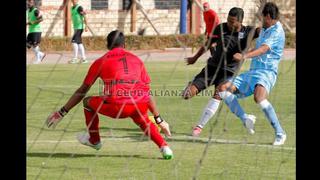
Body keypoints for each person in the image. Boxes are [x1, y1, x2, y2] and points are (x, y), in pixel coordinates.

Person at [46, 30, 173, 159]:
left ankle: (94, 140)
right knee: (142, 119)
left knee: (87, 102)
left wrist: (62, 112)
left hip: (117, 106)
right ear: (124, 45)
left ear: (107, 45)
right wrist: (159, 119)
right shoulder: (137, 60)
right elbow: (147, 92)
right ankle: (165, 147)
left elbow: (82, 91)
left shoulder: (101, 61)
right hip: (139, 104)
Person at [182, 7, 260, 136]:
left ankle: (199, 127)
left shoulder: (248, 32)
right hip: (212, 68)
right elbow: (208, 44)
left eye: (232, 22)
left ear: (240, 21)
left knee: (218, 93)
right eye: (228, 20)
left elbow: (262, 30)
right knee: (186, 95)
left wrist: (262, 16)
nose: (229, 24)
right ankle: (193, 84)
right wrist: (195, 58)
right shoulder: (221, 28)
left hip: (228, 72)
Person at [217, 2, 286, 145]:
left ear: (268, 16)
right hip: (253, 71)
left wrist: (244, 56)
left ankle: (280, 132)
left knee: (259, 97)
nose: (260, 20)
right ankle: (245, 118)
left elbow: (263, 49)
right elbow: (257, 42)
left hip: (267, 72)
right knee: (223, 88)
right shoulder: (265, 29)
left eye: (262, 17)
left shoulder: (277, 31)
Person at [26, 0, 46, 64]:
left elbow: (41, 19)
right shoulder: (27, 11)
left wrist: (32, 22)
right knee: (28, 44)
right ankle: (41, 54)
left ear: (33, 3)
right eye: (28, 2)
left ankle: (38, 60)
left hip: (36, 31)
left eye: (30, 2)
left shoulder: (36, 11)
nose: (29, 3)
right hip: (31, 31)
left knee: (35, 45)